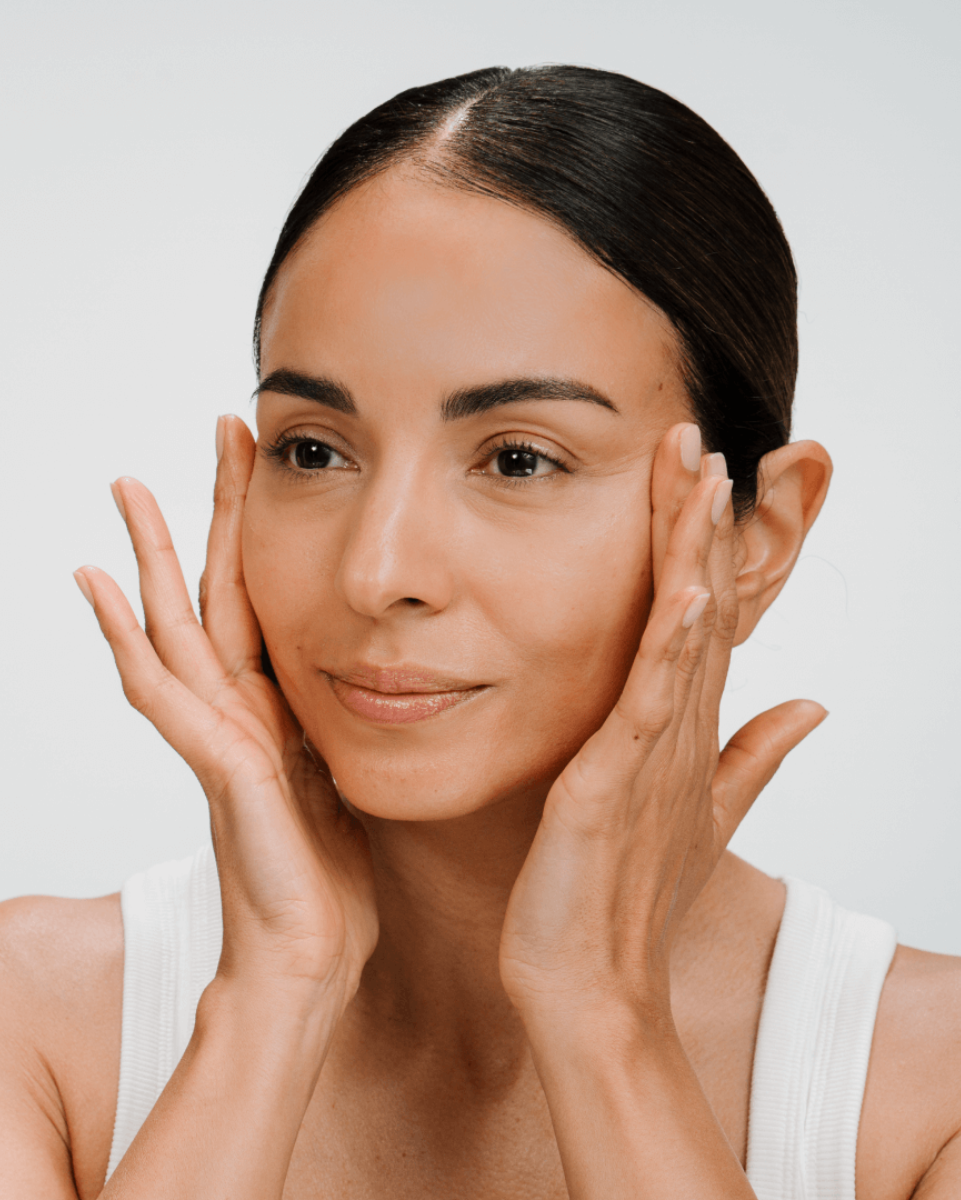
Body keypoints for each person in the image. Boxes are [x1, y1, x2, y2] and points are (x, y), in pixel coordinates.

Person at [1, 63, 959, 1200]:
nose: (380, 570)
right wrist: (274, 995)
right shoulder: (38, 1027)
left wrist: (604, 1021)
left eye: (519, 459)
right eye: (313, 449)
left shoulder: (926, 1094)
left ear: (759, 534)